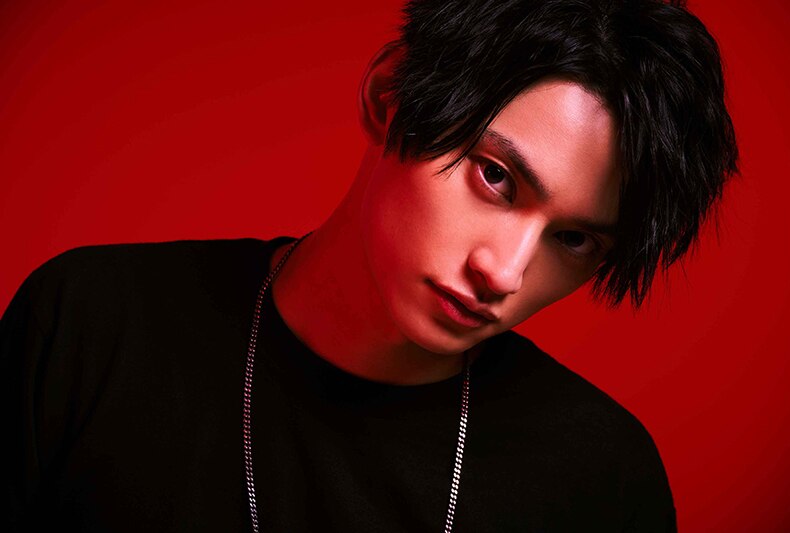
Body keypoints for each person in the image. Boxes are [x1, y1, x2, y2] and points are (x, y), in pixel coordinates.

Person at [1, 0, 737, 531]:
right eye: (496, 177)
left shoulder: (600, 477)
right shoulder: (87, 328)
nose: (506, 273)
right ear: (390, 99)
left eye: (573, 240)